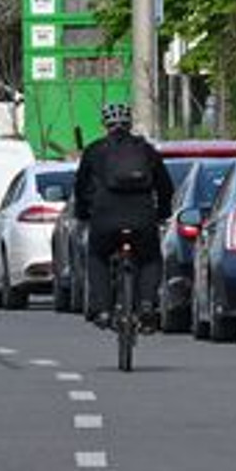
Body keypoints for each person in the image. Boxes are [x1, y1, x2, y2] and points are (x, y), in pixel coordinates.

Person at [71, 102, 172, 331]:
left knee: (97, 257)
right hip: (142, 216)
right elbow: (165, 186)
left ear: (105, 125)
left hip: (105, 217)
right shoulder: (146, 150)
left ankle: (104, 309)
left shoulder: (94, 150)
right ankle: (146, 304)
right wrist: (162, 212)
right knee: (150, 258)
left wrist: (83, 213)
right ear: (130, 124)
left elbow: (81, 187)